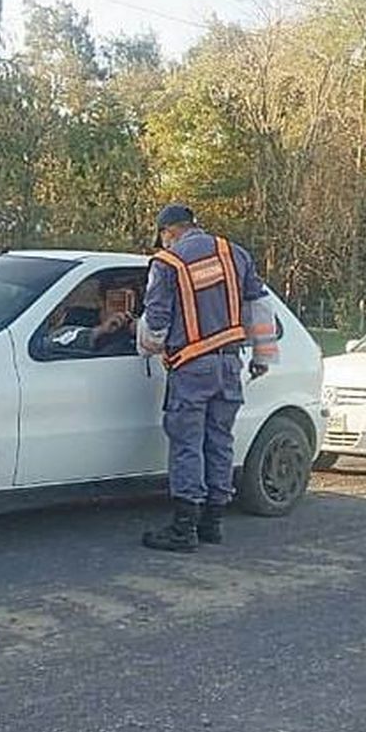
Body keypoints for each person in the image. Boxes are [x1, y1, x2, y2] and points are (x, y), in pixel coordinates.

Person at [137, 203, 278, 552]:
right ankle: (213, 523)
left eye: (163, 237)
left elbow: (156, 322)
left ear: (168, 232)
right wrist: (263, 356)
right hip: (230, 364)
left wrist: (145, 344)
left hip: (191, 368)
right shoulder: (235, 254)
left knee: (187, 443)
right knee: (219, 440)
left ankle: (184, 527)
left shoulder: (166, 263)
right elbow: (260, 307)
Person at [42, 279, 136, 355]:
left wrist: (140, 331)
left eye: (130, 300)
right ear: (101, 300)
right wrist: (99, 331)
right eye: (118, 299)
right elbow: (52, 342)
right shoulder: (78, 316)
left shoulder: (137, 324)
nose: (124, 305)